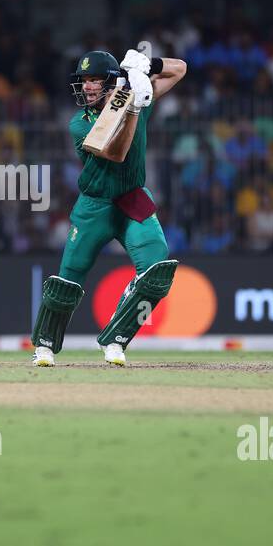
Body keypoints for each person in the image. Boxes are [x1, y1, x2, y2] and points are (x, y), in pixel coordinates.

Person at [30, 47, 186, 367]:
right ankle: (44, 346)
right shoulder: (80, 123)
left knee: (157, 270)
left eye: (94, 80)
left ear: (112, 80)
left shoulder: (137, 94)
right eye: (83, 80)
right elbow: (115, 153)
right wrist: (132, 109)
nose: (86, 86)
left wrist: (148, 66)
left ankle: (115, 341)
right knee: (68, 280)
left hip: (131, 198)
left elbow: (180, 69)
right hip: (95, 204)